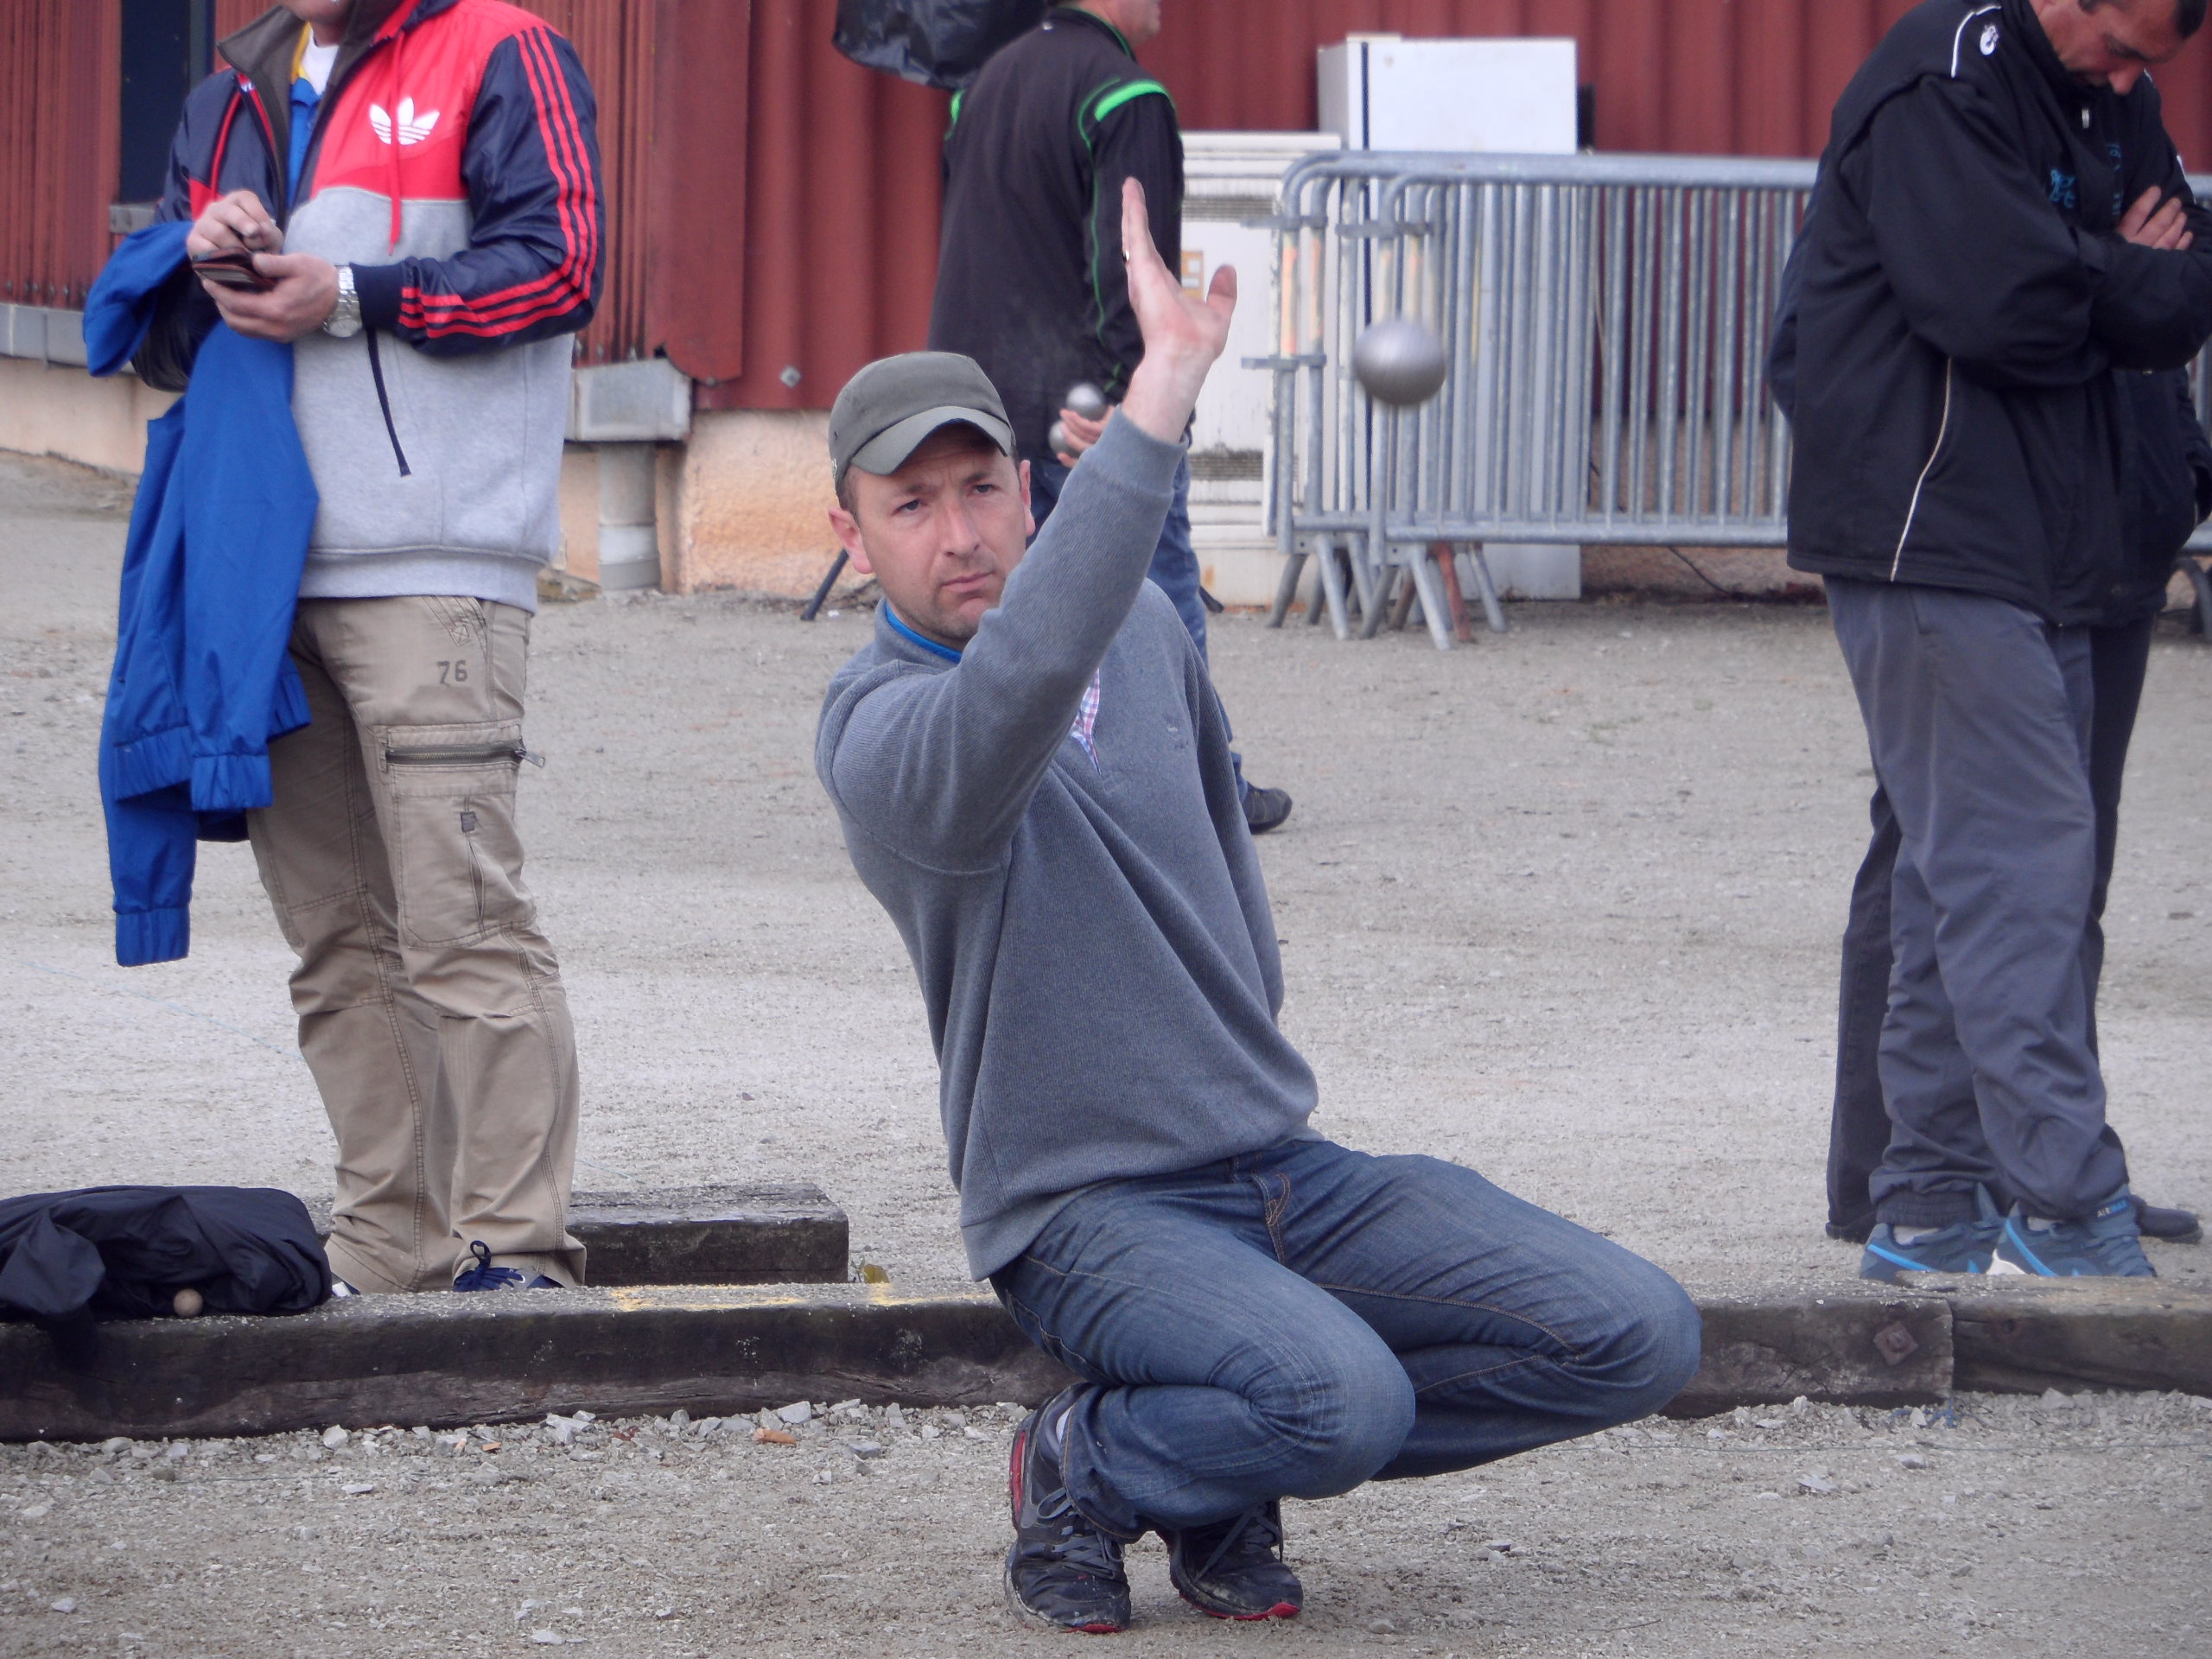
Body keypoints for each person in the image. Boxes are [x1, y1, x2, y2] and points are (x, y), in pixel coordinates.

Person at [816, 180, 1700, 1635]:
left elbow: (1224, 851)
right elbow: (1023, 677)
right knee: (1339, 1400)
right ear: (850, 534)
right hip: (1085, 1216)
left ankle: (1217, 1448)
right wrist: (1165, 396)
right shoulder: (884, 736)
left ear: (1029, 489)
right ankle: (1093, 1461)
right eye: (911, 505)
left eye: (983, 488)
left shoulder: (1152, 632)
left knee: (1636, 1334)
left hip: (1279, 1170)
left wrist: (1247, 1059)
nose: (959, 532)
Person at [134, 0, 605, 1296]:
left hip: (436, 561)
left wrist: (345, 292)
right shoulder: (229, 90)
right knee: (338, 941)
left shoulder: (499, 45)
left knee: (465, 927)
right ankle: (392, 1240)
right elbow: (166, 347)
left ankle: (517, 1255)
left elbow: (562, 266)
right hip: (257, 576)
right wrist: (197, 254)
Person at [1782, 0, 2212, 1279]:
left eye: (2156, 67)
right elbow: (1999, 304)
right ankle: (2067, 1203)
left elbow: (2183, 287)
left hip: (2065, 536)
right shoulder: (1940, 80)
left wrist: (2105, 271)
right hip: (1937, 526)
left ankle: (1932, 1195)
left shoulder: (2114, 99)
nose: (2136, 82)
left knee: (1965, 875)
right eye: (2124, 47)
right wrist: (2114, 269)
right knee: (2018, 868)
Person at [1821, 370, 2211, 1257]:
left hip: (2110, 550)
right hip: (1974, 553)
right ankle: (1912, 1180)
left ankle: (2021, 1168)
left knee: (2062, 878)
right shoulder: (1908, 222)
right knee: (1949, 865)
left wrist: (2172, 475)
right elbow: (1813, 362)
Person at [926, 0, 1294, 836]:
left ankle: (996, 786)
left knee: (1004, 606)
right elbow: (1134, 269)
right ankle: (1206, 794)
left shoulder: (977, 89)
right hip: (1088, 415)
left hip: (981, 405)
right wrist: (1139, 399)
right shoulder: (1126, 97)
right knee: (1156, 600)